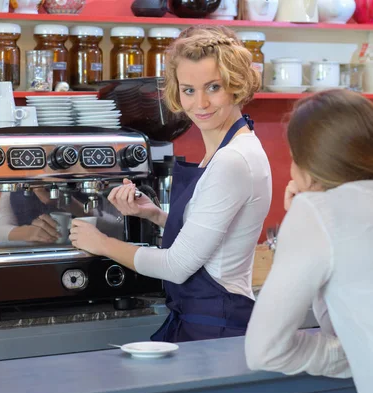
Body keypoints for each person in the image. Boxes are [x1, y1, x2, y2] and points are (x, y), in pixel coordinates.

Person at [69, 25, 272, 343]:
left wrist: (101, 244)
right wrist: (155, 215)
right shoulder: (230, 150)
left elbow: (177, 266)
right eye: (189, 90)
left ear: (237, 85)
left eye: (213, 87)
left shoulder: (233, 160)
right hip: (208, 318)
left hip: (215, 325)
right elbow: (217, 237)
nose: (200, 102)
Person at [245, 89, 373, 393]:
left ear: (305, 164)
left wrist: (353, 354)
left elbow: (264, 351)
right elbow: (345, 310)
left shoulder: (316, 211)